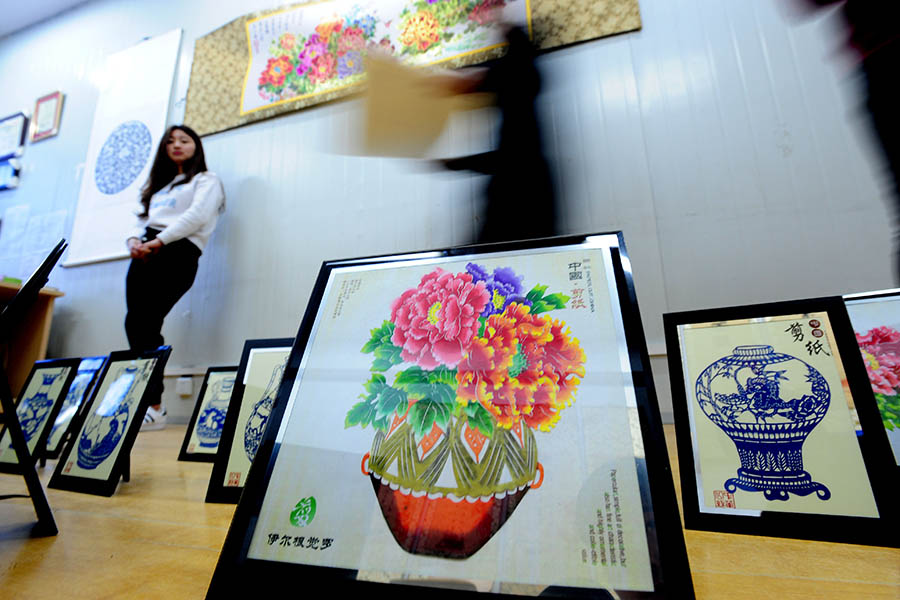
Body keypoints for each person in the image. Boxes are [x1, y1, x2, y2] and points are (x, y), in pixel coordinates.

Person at [125, 125, 225, 430]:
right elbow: (141, 220)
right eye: (170, 142)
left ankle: (153, 406)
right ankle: (148, 403)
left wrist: (159, 242)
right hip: (146, 251)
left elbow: (196, 217)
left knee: (148, 320)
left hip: (177, 251)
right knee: (136, 323)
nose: (176, 145)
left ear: (196, 145)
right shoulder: (159, 186)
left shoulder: (206, 180)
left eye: (184, 140)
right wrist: (133, 241)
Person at [437, 24, 558, 244]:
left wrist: (454, 164)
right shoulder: (525, 80)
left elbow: (512, 159)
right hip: (527, 189)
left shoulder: (518, 75)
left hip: (519, 194)